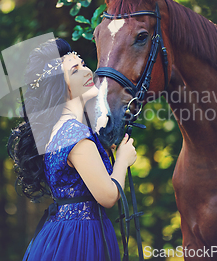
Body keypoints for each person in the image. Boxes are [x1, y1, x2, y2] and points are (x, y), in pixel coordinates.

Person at [7, 38, 137, 261]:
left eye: (83, 64)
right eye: (75, 70)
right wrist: (123, 160)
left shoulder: (61, 129)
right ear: (61, 85)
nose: (87, 71)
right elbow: (107, 196)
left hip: (64, 232)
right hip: (80, 239)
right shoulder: (74, 134)